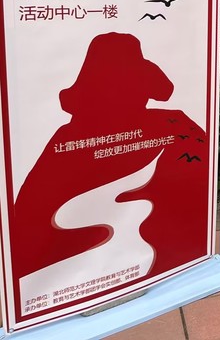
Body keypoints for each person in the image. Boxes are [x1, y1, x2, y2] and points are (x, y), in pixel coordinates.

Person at [11, 33, 209, 301]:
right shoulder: (174, 124)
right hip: (138, 260)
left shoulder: (68, 139)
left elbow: (29, 213)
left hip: (68, 275)